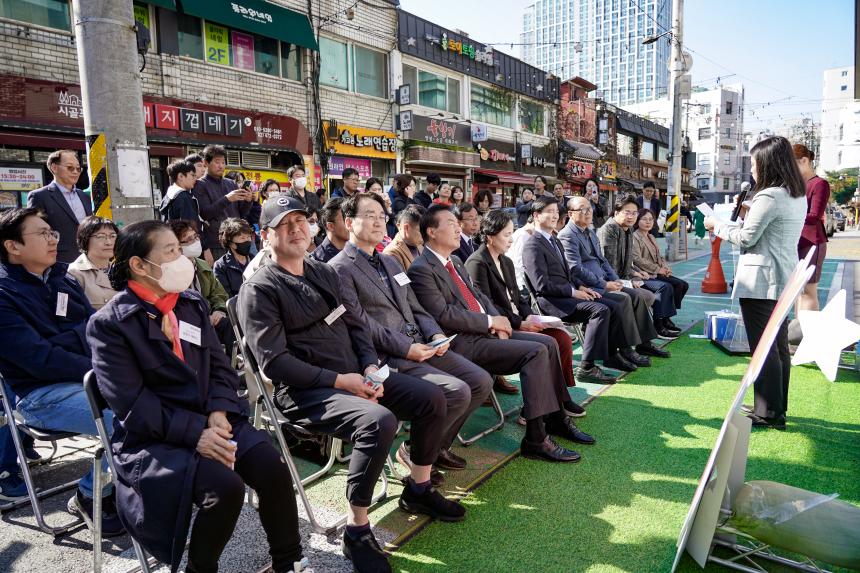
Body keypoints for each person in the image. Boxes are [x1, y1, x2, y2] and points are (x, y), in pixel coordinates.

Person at [238, 196, 467, 573]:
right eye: (285, 225)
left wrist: (369, 370)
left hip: (355, 375)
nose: (297, 230)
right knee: (378, 421)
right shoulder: (261, 289)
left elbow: (356, 327)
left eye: (301, 221)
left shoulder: (321, 272)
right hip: (306, 390)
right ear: (266, 236)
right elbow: (275, 363)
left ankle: (418, 488)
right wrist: (340, 380)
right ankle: (357, 530)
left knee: (432, 397)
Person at [88, 220, 308, 573]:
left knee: (272, 469)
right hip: (159, 437)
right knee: (224, 489)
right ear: (139, 265)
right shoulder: (111, 324)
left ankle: (289, 560)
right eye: (171, 251)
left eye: (180, 248)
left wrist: (219, 412)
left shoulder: (190, 304)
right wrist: (197, 434)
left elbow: (220, 368)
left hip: (214, 419)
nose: (183, 259)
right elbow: (132, 405)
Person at [408, 204, 595, 463]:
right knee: (536, 351)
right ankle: (536, 438)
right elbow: (443, 315)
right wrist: (489, 322)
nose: (458, 227)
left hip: (484, 333)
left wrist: (501, 321)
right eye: (451, 223)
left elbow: (478, 296)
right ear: (431, 231)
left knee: (549, 343)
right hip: (462, 341)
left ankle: (556, 418)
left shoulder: (456, 261)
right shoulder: (421, 268)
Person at [330, 193, 493, 475]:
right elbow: (362, 324)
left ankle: (431, 447)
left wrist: (434, 335)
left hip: (421, 345)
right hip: (387, 356)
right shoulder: (339, 269)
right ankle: (420, 456)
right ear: (348, 222)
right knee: (457, 390)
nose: (379, 222)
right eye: (369, 216)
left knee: (480, 380)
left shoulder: (390, 263)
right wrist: (407, 348)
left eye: (382, 216)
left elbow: (415, 307)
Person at [0, 207, 122, 533]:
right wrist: (94, 361)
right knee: (127, 420)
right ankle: (90, 493)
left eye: (52, 233)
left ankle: (119, 486)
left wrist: (65, 339)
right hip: (40, 396)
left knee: (153, 404)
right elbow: (39, 358)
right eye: (42, 234)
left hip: (85, 379)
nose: (53, 240)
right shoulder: (4, 293)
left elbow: (94, 328)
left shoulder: (62, 278)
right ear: (13, 246)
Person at [704, 136, 807, 430]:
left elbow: (748, 238)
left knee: (764, 347)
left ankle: (768, 413)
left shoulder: (769, 196)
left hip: (761, 280)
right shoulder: (795, 194)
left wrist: (717, 226)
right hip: (782, 276)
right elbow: (768, 231)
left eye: (753, 162)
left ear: (767, 163)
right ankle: (775, 406)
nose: (752, 168)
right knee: (777, 345)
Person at [467, 208, 611, 400]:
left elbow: (518, 298)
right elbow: (488, 305)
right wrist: (520, 323)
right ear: (490, 237)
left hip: (518, 319)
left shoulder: (506, 261)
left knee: (562, 337)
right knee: (549, 343)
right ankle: (540, 405)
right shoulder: (477, 263)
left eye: (512, 233)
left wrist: (529, 316)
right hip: (500, 326)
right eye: (507, 235)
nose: (511, 239)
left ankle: (561, 396)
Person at [559, 196, 669, 371]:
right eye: (583, 209)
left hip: (603, 280)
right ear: (570, 213)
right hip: (590, 285)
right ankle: (623, 350)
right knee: (625, 298)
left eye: (590, 208)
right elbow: (575, 269)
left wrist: (615, 280)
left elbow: (603, 261)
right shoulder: (568, 235)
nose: (588, 213)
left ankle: (643, 343)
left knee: (634, 296)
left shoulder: (589, 232)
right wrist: (604, 284)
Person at [517, 198, 618, 384]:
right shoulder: (533, 245)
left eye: (556, 211)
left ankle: (609, 355)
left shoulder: (554, 239)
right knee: (600, 310)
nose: (555, 215)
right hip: (552, 301)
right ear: (536, 215)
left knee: (611, 304)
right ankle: (587, 367)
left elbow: (567, 272)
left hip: (567, 295)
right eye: (549, 211)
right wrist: (572, 293)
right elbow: (541, 285)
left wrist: (580, 287)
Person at [597, 196, 679, 339]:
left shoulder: (627, 230)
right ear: (616, 212)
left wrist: (636, 273)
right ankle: (646, 338)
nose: (631, 216)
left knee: (671, 285)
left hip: (627, 277)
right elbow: (609, 265)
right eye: (627, 212)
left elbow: (628, 263)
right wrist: (629, 281)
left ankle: (653, 332)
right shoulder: (610, 229)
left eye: (634, 213)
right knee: (645, 295)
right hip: (610, 282)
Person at [168, 220, 233, 351]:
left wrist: (219, 310)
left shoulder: (202, 265)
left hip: (210, 317)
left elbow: (218, 293)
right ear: (177, 246)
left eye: (195, 237)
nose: (195, 241)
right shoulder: (171, 272)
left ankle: (233, 364)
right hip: (188, 324)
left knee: (229, 324)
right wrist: (202, 319)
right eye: (188, 239)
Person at [26, 149, 92, 263]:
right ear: (54, 168)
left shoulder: (84, 196)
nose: (75, 172)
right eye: (70, 167)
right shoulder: (39, 196)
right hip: (58, 260)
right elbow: (35, 231)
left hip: (88, 258)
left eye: (78, 168)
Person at [192, 145, 253, 262]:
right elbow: (205, 213)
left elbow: (242, 213)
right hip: (216, 243)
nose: (221, 166)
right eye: (217, 162)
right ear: (206, 162)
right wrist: (227, 199)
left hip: (237, 241)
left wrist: (248, 200)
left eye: (223, 162)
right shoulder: (200, 185)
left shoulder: (230, 183)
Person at [632, 209, 689, 328]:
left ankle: (667, 316)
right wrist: (658, 270)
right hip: (646, 273)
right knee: (667, 287)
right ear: (637, 221)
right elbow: (637, 259)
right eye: (644, 219)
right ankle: (660, 321)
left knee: (682, 285)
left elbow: (659, 256)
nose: (648, 222)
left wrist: (665, 267)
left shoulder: (651, 236)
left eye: (650, 219)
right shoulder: (635, 237)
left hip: (657, 272)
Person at [793, 143, 830, 313]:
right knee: (796, 290)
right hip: (796, 241)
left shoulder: (819, 184)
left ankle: (808, 333)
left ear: (804, 161)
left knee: (808, 290)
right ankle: (797, 332)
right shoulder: (796, 184)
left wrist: (788, 216)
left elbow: (815, 216)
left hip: (812, 243)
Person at [68, 215, 119, 310]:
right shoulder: (74, 274)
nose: (108, 242)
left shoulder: (121, 270)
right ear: (85, 239)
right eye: (100, 236)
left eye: (112, 236)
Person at [213, 217, 254, 298]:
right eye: (242, 238)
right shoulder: (221, 266)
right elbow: (224, 295)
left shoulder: (256, 260)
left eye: (248, 237)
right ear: (230, 242)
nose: (247, 241)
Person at [160, 160, 202, 230]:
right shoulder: (184, 197)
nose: (195, 178)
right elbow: (190, 228)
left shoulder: (168, 196)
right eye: (193, 175)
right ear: (181, 176)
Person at [383, 204, 425, 271]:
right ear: (406, 228)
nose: (425, 235)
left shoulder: (420, 246)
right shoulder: (391, 253)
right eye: (421, 231)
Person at [311, 198, 347, 263]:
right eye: (345, 219)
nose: (351, 223)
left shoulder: (359, 251)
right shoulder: (317, 261)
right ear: (330, 226)